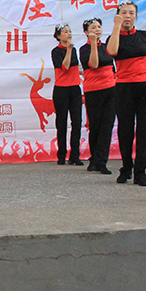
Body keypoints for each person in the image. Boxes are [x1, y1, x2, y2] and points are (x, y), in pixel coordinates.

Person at [105, 1, 146, 186]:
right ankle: (126, 167)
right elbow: (111, 52)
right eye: (123, 13)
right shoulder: (114, 37)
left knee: (145, 130)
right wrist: (116, 26)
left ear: (136, 16)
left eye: (131, 13)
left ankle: (140, 172)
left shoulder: (144, 36)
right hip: (124, 87)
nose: (127, 16)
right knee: (125, 130)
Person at [79, 18, 116, 174]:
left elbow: (113, 67)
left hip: (110, 90)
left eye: (99, 27)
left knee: (107, 125)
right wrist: (93, 43)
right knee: (95, 125)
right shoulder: (84, 49)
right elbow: (93, 64)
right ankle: (94, 158)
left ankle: (101, 161)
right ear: (86, 32)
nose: (97, 30)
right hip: (93, 91)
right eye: (93, 28)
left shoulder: (107, 47)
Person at [51, 24, 83, 165]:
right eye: (65, 32)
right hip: (61, 89)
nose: (69, 34)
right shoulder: (56, 51)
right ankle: (61, 155)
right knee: (61, 122)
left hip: (74, 88)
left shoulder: (74, 49)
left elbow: (74, 67)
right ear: (58, 36)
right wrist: (68, 50)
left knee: (77, 122)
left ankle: (75, 155)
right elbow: (65, 66)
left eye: (70, 31)